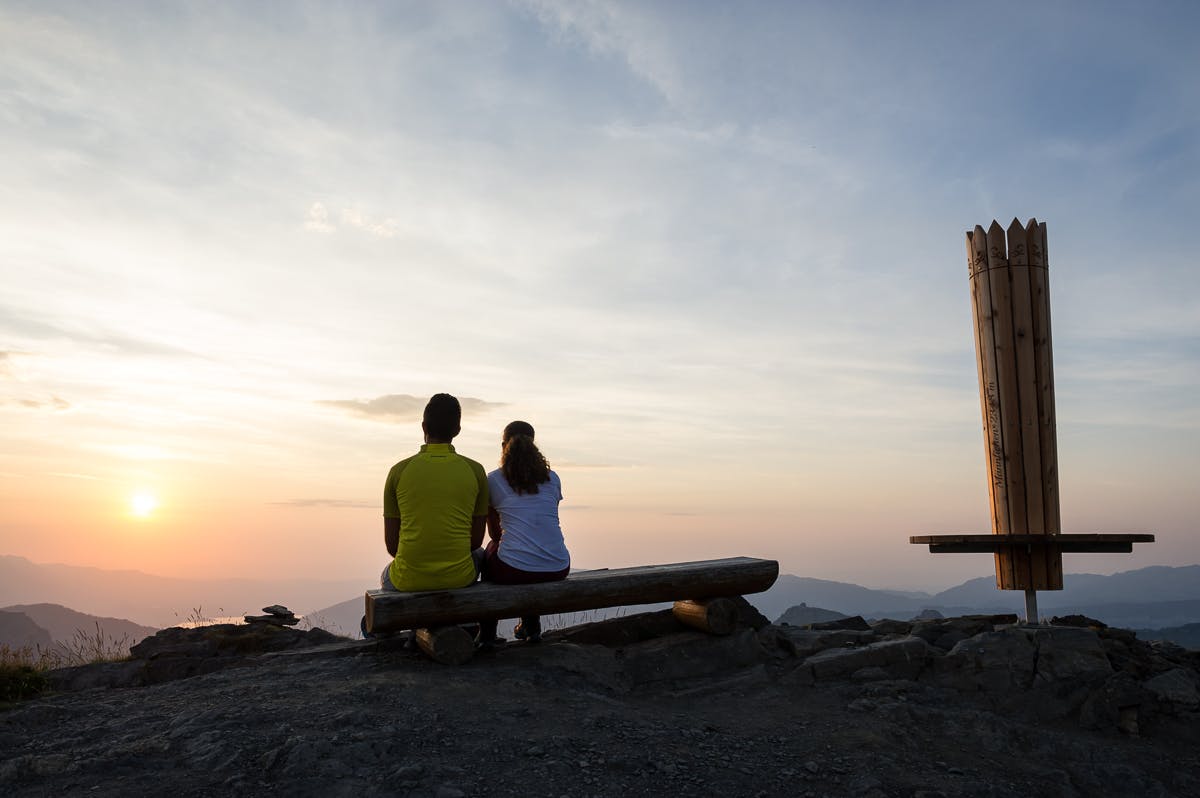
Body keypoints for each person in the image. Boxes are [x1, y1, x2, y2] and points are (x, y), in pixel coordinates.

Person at [374, 393, 488, 611]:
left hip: (408, 578)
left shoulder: (399, 472)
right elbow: (475, 541)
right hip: (460, 577)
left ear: (423, 426)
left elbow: (392, 546)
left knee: (386, 576)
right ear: (457, 430)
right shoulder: (475, 470)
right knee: (482, 554)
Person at [477, 420, 570, 646]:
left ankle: (487, 634)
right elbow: (544, 523)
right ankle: (531, 627)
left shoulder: (494, 480)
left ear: (503, 446)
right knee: (523, 549)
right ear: (534, 444)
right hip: (558, 566)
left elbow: (495, 533)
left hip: (513, 571)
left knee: (489, 551)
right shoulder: (553, 478)